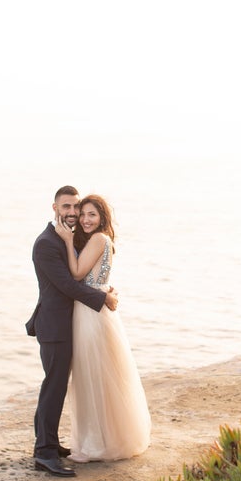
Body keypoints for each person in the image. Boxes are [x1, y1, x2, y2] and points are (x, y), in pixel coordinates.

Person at [25, 185, 119, 478]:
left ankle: (49, 443)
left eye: (76, 208)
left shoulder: (69, 237)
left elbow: (85, 272)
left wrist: (101, 288)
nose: (73, 213)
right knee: (54, 386)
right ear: (55, 208)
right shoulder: (46, 243)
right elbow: (67, 284)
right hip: (54, 325)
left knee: (57, 385)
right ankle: (44, 454)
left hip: (69, 323)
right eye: (66, 207)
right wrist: (102, 298)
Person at [54, 194, 151, 462]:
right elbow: (95, 278)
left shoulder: (98, 239)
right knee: (100, 377)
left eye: (91, 215)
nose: (85, 219)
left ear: (102, 218)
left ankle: (96, 444)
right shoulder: (103, 240)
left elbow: (75, 274)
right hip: (95, 310)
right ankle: (106, 439)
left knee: (91, 376)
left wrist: (67, 240)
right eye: (82, 214)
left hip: (90, 314)